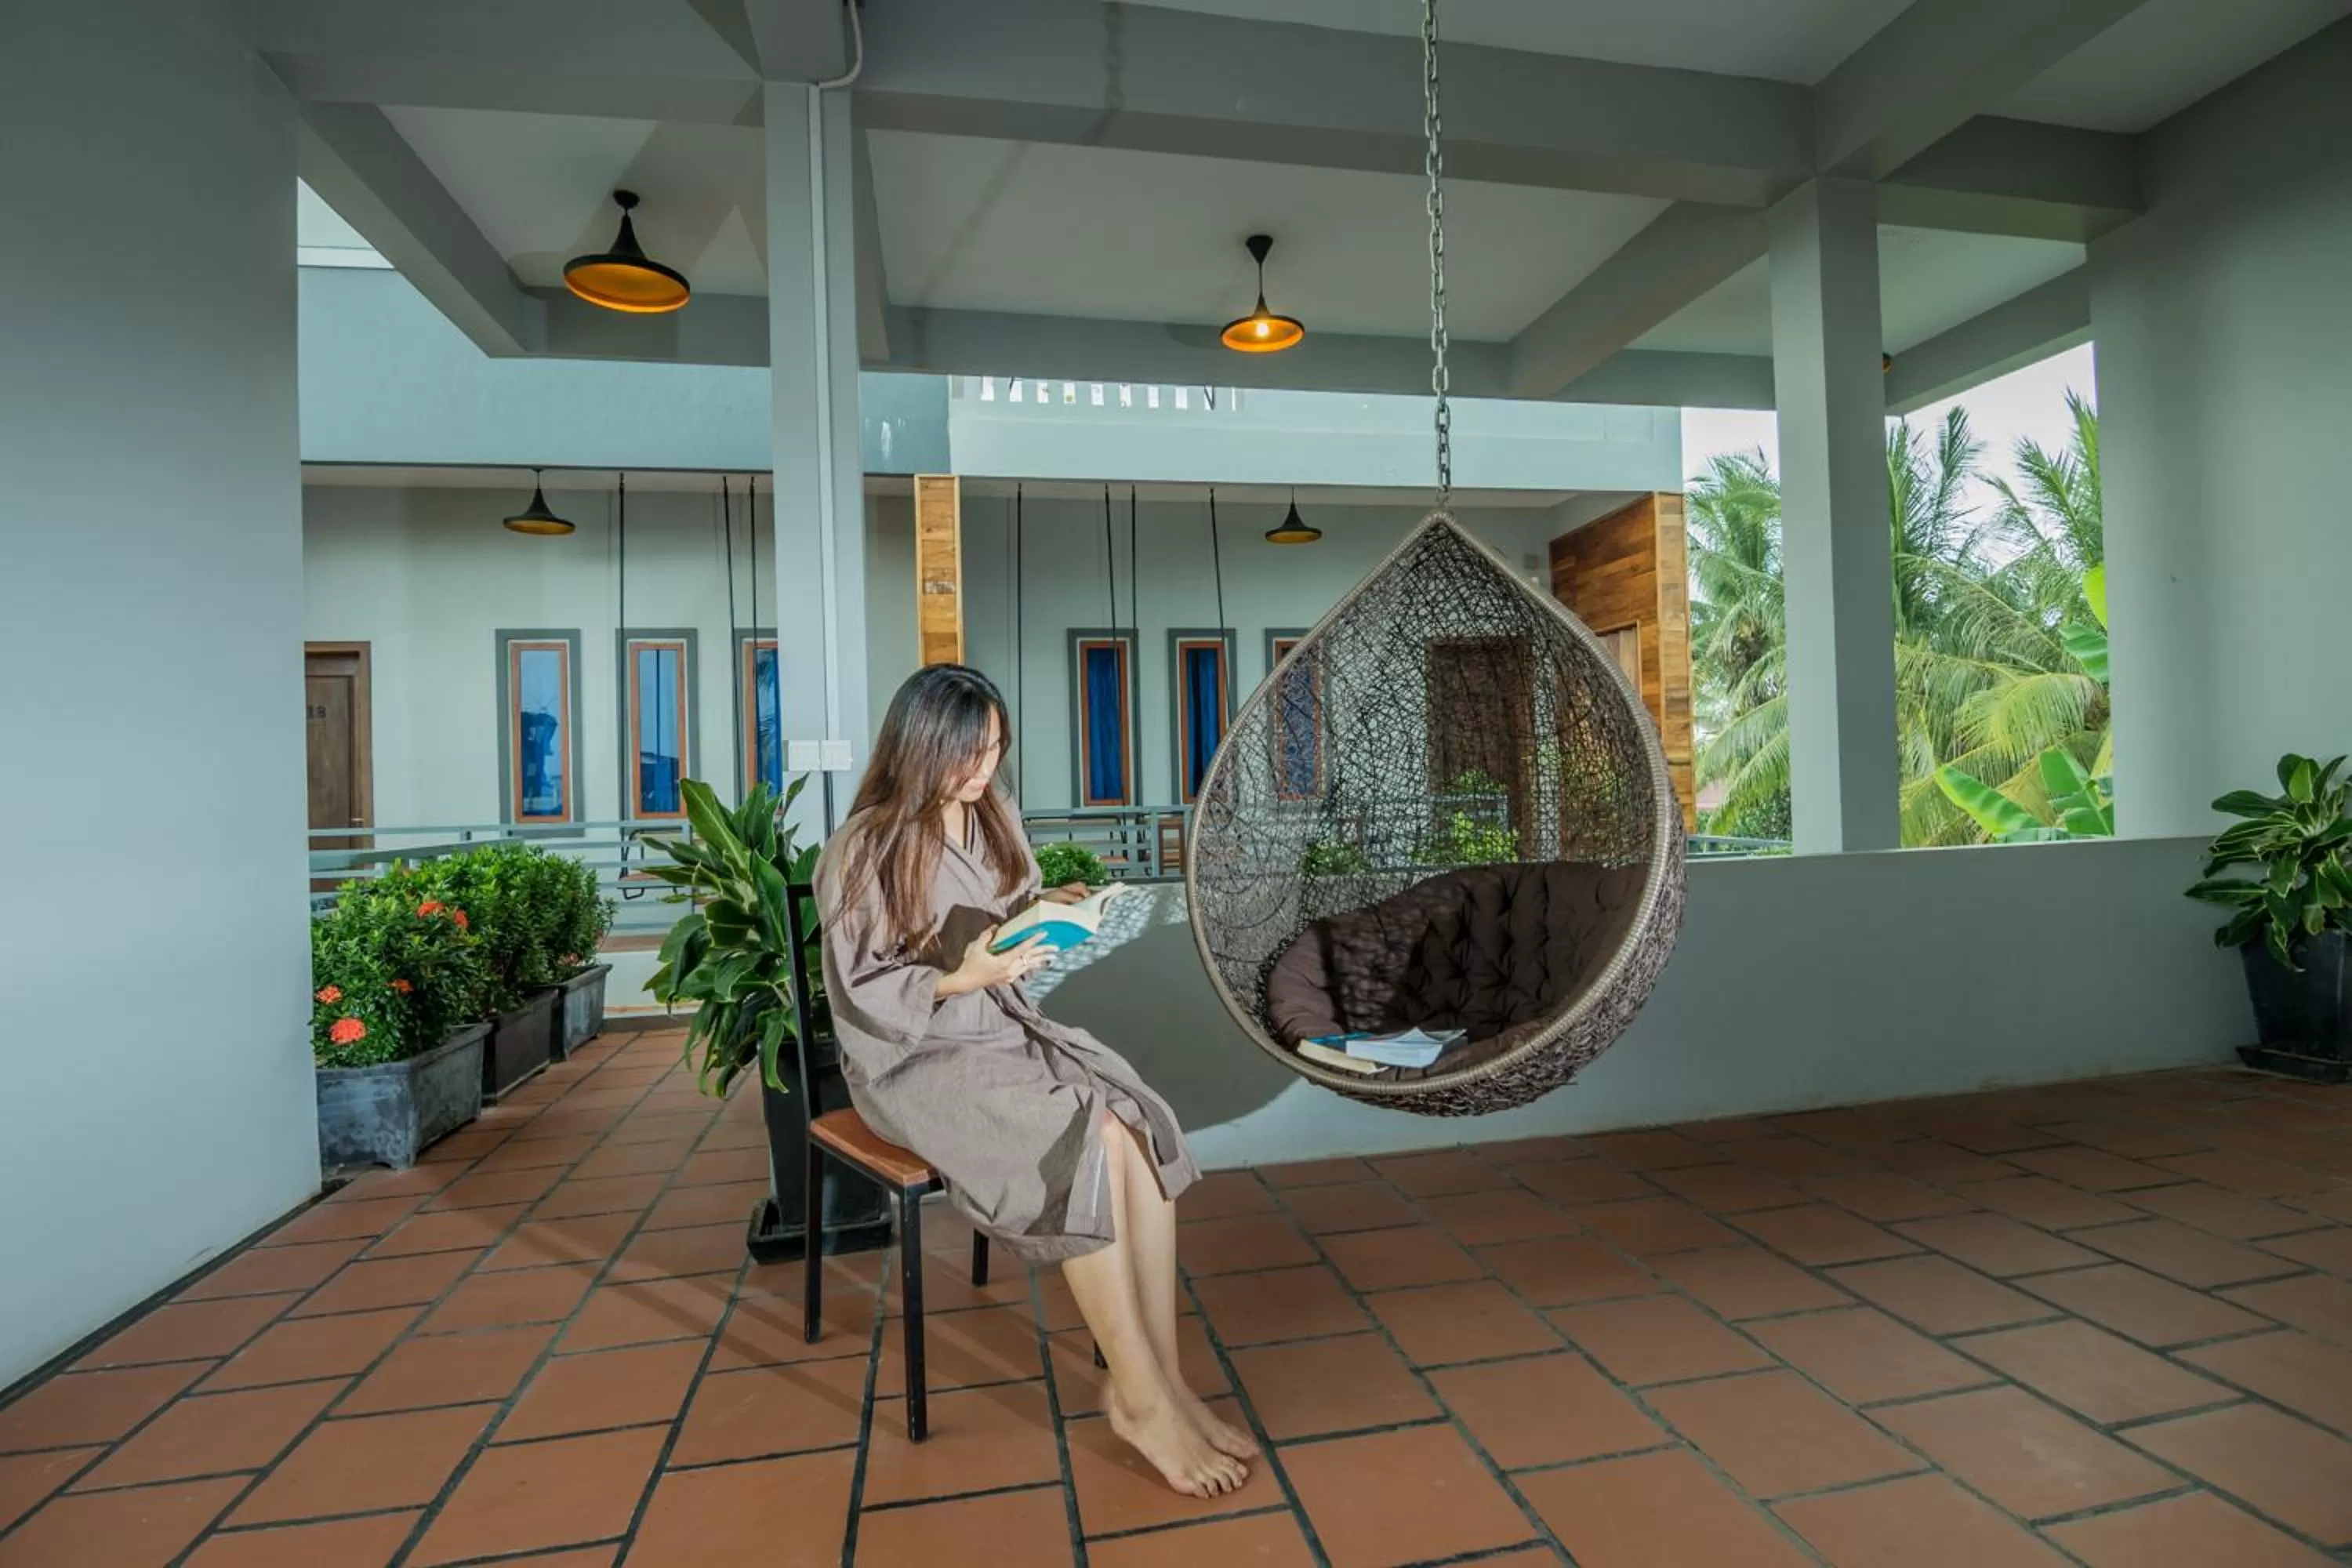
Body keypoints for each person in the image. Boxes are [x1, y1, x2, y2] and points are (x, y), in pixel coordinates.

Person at [813, 664, 1256, 1497]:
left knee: (1131, 1117)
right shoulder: (862, 847)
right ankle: (1138, 1398)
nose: (984, 772)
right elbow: (860, 990)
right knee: (1080, 1137)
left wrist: (1055, 902)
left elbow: (1004, 908)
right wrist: (958, 978)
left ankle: (1163, 1374)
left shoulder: (990, 814)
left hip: (1000, 1028)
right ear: (921, 746)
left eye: (994, 752)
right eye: (968, 755)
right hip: (912, 1057)